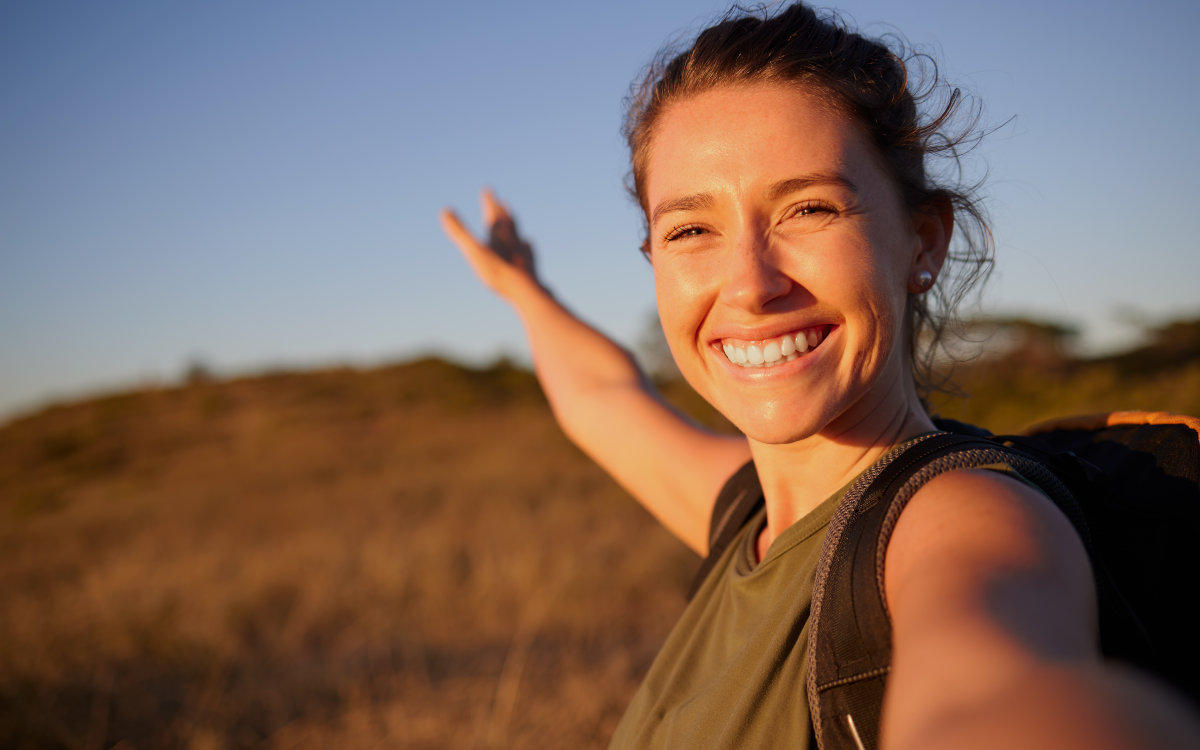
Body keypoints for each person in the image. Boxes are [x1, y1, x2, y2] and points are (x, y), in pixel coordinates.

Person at [439, 4, 1200, 748]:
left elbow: (995, 693)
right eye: (691, 229)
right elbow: (603, 398)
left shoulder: (963, 517)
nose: (749, 285)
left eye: (808, 209)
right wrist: (524, 292)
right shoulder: (748, 514)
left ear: (923, 241)